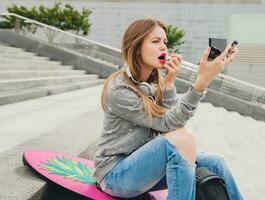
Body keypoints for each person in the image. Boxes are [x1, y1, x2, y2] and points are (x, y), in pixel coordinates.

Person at [93, 18, 243, 200]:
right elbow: (169, 124)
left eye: (165, 42)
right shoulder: (120, 89)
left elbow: (175, 125)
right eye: (155, 41)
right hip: (115, 175)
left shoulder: (154, 83)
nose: (163, 47)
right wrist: (201, 83)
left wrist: (170, 83)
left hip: (143, 167)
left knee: (216, 162)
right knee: (183, 138)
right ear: (136, 47)